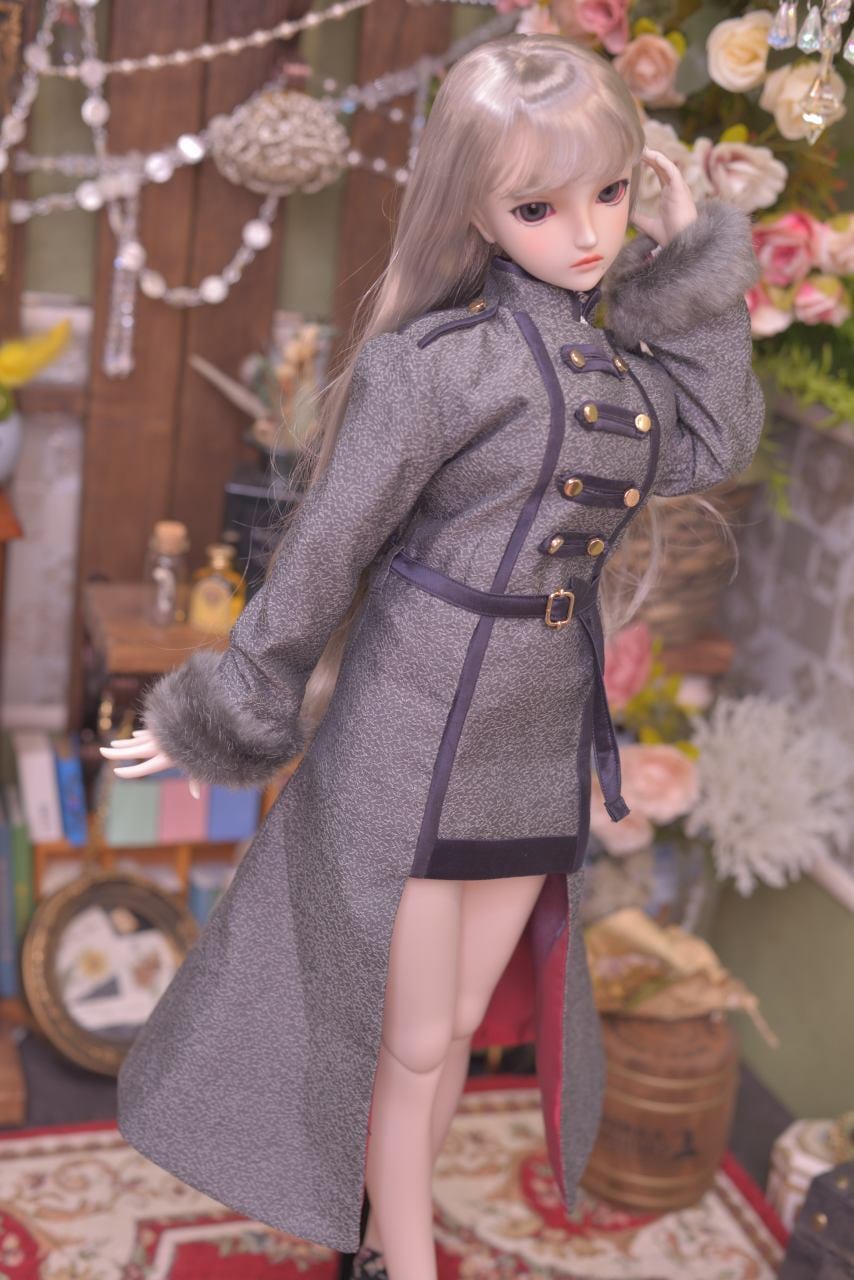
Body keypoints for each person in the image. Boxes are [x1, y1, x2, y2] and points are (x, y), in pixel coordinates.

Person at [100, 32, 764, 1280]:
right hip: (416, 729)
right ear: (473, 206)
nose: (586, 231)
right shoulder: (434, 367)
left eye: (609, 191)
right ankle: (404, 1259)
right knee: (408, 1035)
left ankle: (379, 1237)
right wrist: (223, 703)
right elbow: (323, 552)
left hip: (534, 739)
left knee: (455, 1022)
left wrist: (692, 267)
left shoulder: (625, 377)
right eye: (538, 205)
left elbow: (713, 441)